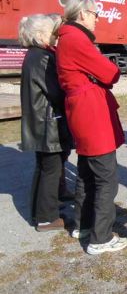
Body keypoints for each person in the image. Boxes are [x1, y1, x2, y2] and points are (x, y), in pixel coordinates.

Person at [56, 0, 127, 254]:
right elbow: (111, 73)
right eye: (96, 14)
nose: (98, 18)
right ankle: (101, 238)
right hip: (91, 113)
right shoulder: (77, 39)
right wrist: (101, 68)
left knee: (86, 173)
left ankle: (83, 225)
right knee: (106, 177)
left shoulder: (67, 38)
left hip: (82, 110)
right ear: (83, 14)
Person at [19, 14, 73, 232]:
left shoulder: (33, 55)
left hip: (40, 121)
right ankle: (46, 217)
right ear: (41, 35)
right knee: (51, 169)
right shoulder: (42, 57)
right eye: (52, 32)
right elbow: (55, 92)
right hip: (48, 122)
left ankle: (39, 212)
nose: (56, 35)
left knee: (44, 169)